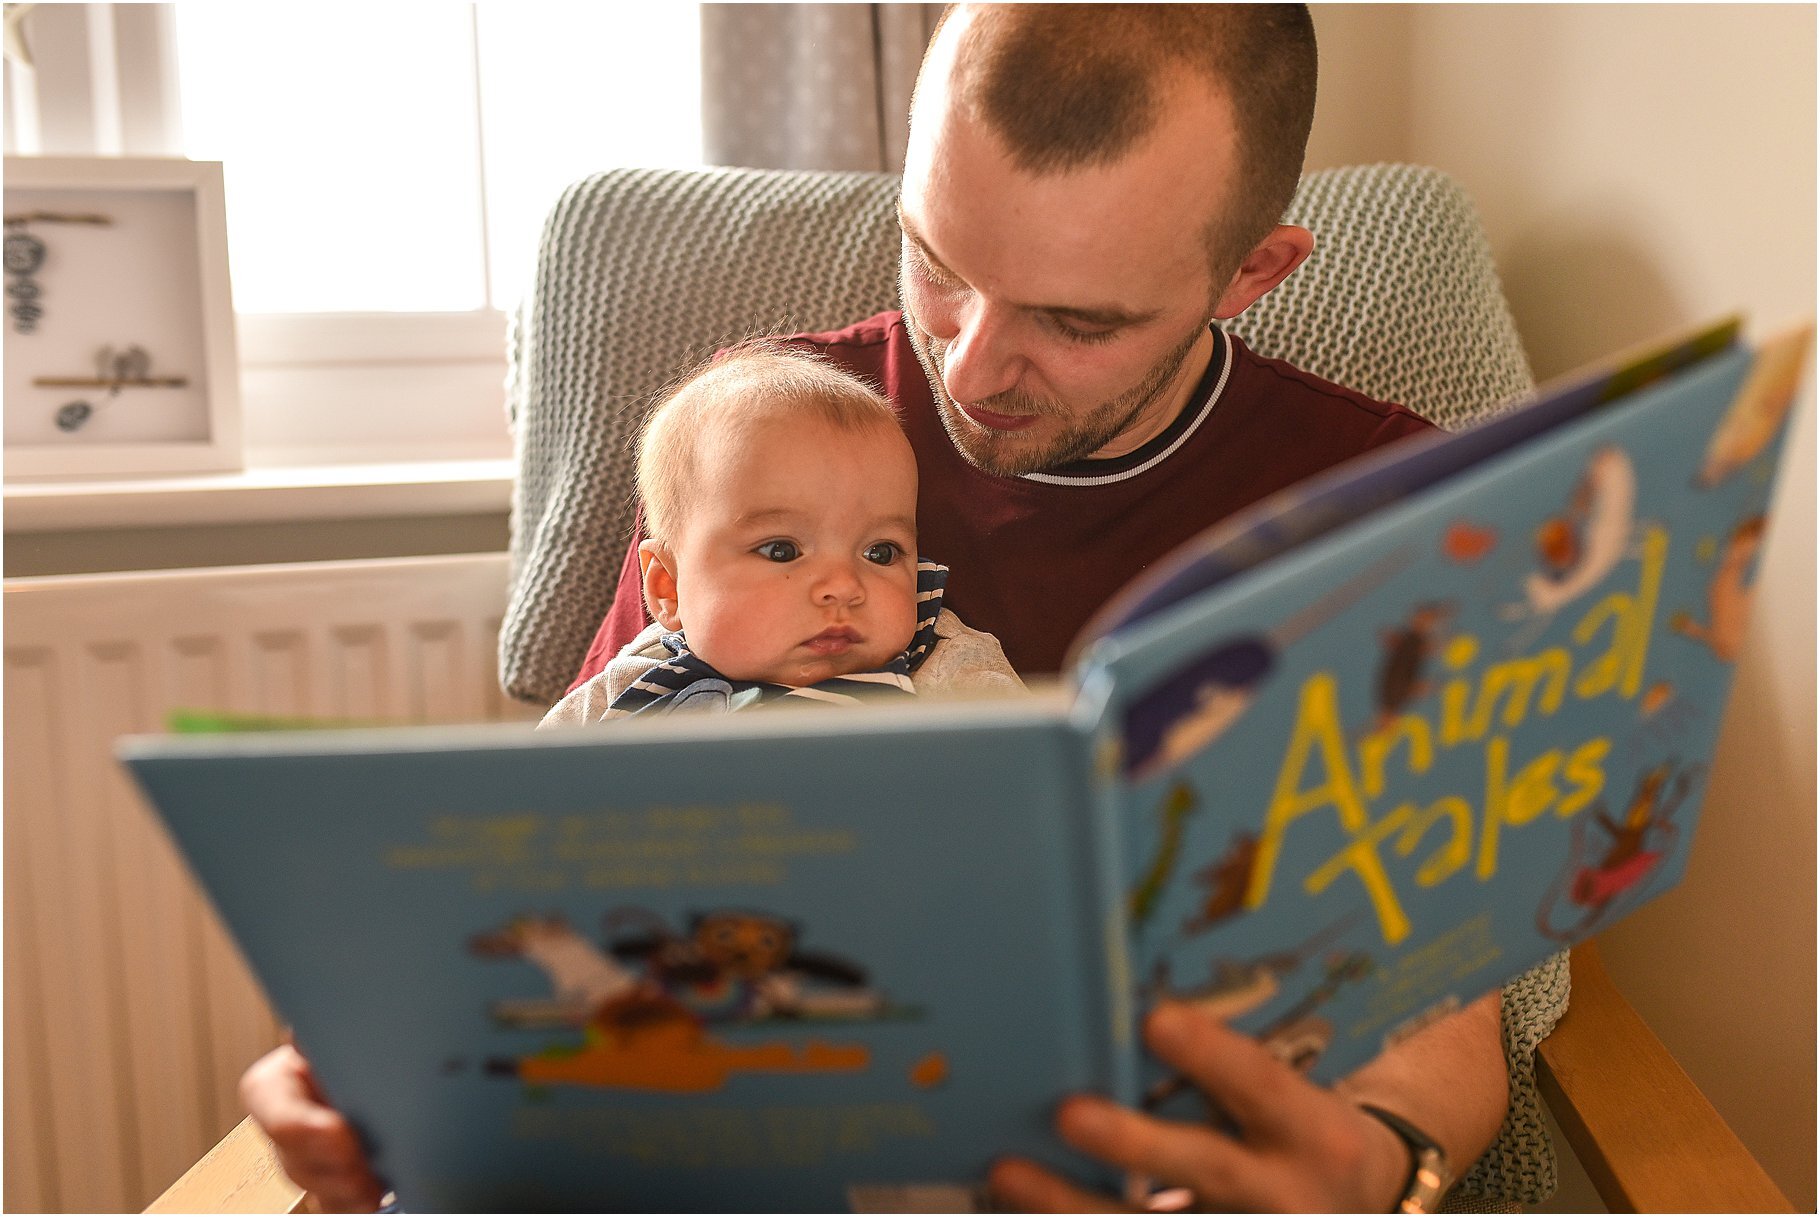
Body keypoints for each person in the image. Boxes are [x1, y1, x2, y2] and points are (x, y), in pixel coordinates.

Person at [244, 5, 1557, 1211]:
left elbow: (1441, 1028)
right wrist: (382, 1049)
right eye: (937, 261)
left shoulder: (1383, 510)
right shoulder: (767, 439)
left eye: (1073, 318)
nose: (971, 366)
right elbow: (570, 854)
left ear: (1251, 273)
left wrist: (1382, 1162)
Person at [542, 343, 1022, 723]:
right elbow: (533, 793)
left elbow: (1031, 782)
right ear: (667, 588)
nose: (843, 588)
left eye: (880, 552)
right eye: (781, 550)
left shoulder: (942, 662)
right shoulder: (630, 684)